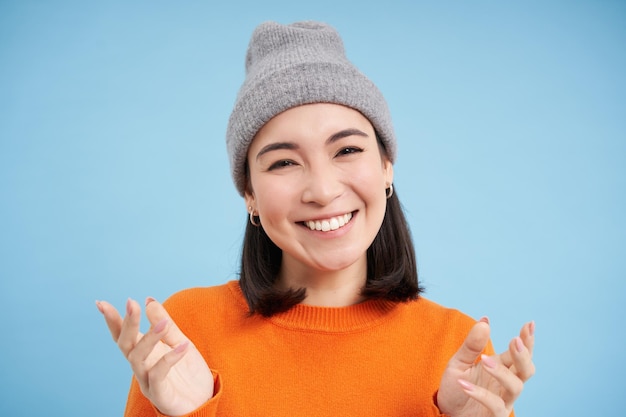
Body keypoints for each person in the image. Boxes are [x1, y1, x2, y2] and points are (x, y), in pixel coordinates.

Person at [96, 20, 535, 417]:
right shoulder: (187, 332)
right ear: (249, 193)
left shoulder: (456, 347)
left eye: (347, 150)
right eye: (284, 163)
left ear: (386, 167)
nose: (323, 191)